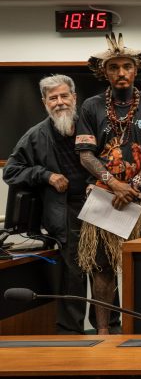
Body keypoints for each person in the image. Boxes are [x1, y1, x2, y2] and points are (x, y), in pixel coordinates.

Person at [3, 75, 114, 334]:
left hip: (101, 206)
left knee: (105, 269)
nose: (60, 102)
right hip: (66, 212)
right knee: (72, 275)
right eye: (53, 98)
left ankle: (108, 328)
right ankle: (71, 334)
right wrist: (46, 175)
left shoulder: (94, 125)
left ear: (75, 98)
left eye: (65, 96)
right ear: (44, 103)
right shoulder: (35, 135)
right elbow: (10, 171)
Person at [75, 34, 141, 333]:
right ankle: (102, 332)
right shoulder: (91, 106)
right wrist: (115, 184)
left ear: (136, 70)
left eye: (127, 66)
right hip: (104, 199)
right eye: (114, 67)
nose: (121, 72)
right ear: (105, 72)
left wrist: (134, 184)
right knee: (102, 267)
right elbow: (85, 155)